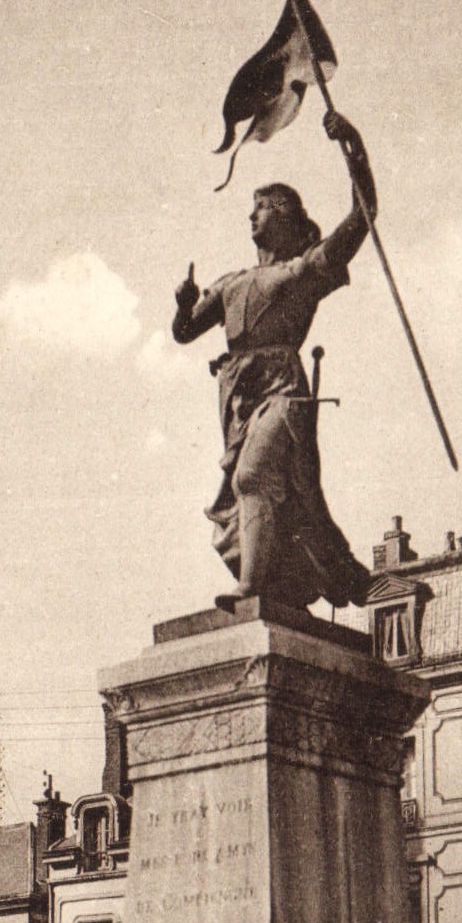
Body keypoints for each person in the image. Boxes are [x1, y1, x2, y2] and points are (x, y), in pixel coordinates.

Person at [172, 110, 377, 610]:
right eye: (253, 208)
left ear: (284, 217)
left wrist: (354, 146)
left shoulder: (302, 271)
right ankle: (278, 582)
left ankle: (251, 588)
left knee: (253, 478)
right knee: (255, 498)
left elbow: (362, 215)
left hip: (284, 389)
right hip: (238, 397)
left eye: (262, 207)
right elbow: (183, 332)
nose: (252, 215)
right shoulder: (231, 282)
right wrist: (183, 303)